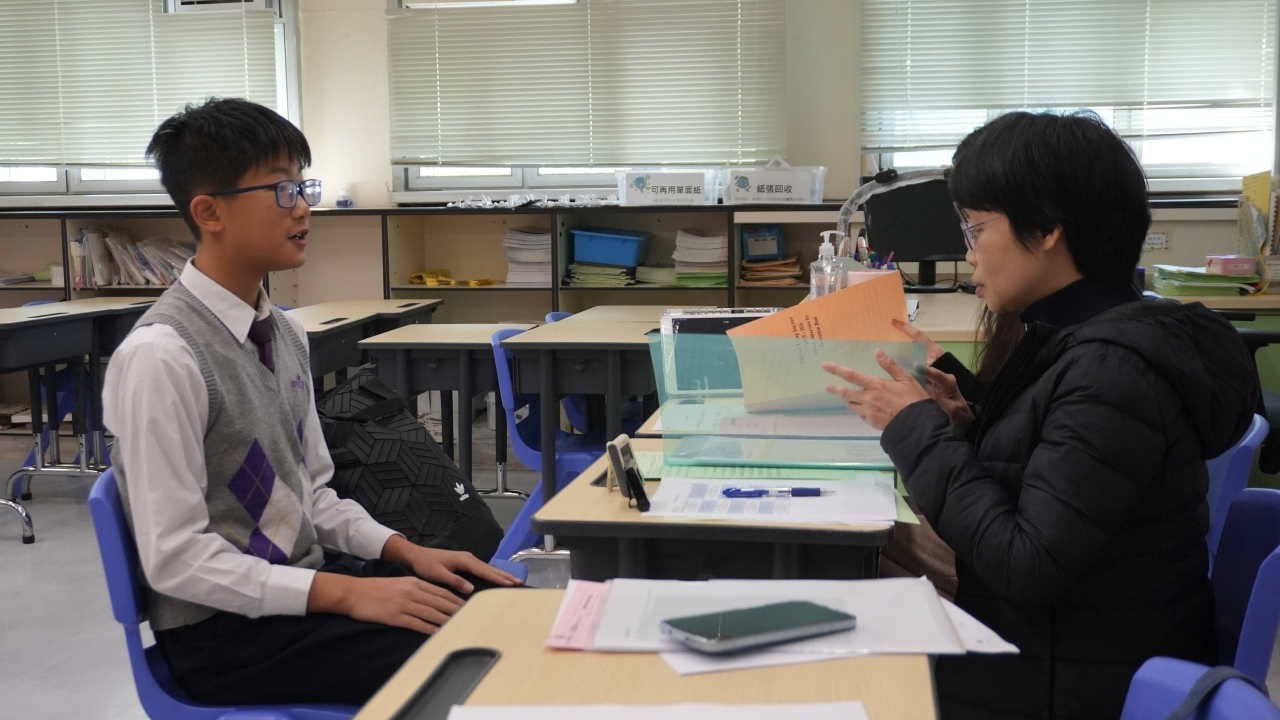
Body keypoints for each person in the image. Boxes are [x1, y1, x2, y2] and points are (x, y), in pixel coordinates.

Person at [822, 110, 1259, 720]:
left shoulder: (1111, 370)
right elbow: (1054, 463)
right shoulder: (1082, 336)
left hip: (1075, 680)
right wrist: (965, 417)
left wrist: (914, 427)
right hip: (1072, 645)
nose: (968, 252)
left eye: (976, 229)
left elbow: (1027, 565)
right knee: (854, 554)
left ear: (1049, 228)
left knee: (842, 565)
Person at [102, 97, 520, 707]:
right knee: (484, 655)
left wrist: (406, 551)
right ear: (209, 212)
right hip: (224, 635)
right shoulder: (161, 357)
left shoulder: (286, 333)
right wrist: (348, 594)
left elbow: (313, 494)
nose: (302, 207)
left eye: (303, 186)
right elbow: (176, 559)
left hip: (303, 588)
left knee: (508, 610)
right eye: (280, 190)